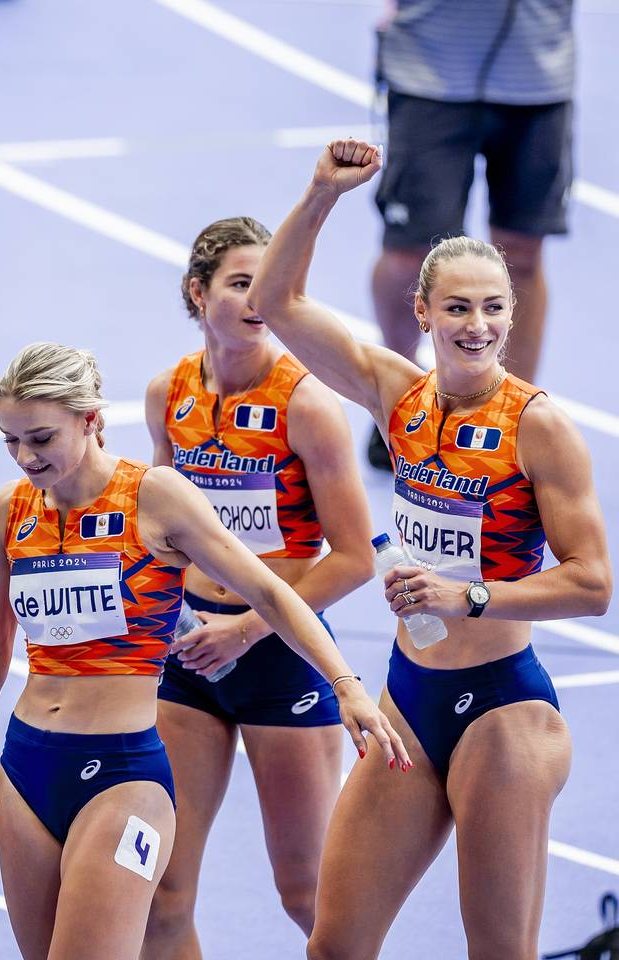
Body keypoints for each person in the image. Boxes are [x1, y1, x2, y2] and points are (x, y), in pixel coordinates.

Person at [0, 342, 406, 960]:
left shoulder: (154, 497)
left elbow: (271, 593)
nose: (25, 457)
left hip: (123, 774)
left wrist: (345, 683)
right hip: (26, 766)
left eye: (40, 437)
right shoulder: (10, 510)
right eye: (10, 441)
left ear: (90, 420)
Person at [249, 138, 612, 959]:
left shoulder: (539, 428)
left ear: (511, 315)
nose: (476, 326)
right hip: (409, 700)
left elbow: (594, 585)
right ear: (423, 312)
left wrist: (470, 596)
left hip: (503, 712)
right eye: (456, 308)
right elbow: (276, 303)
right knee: (333, 946)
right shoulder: (396, 392)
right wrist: (319, 195)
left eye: (492, 307)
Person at [141, 218, 375, 959]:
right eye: (240, 282)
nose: (257, 299)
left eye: (269, 283)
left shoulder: (305, 405)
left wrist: (245, 627)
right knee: (163, 893)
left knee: (307, 894)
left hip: (281, 660)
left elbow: (354, 558)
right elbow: (159, 529)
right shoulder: (168, 394)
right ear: (197, 292)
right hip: (188, 657)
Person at [367, 0, 574, 469]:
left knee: (522, 253)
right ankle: (396, 397)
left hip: (538, 76)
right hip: (430, 72)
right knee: (409, 253)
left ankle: (512, 418)